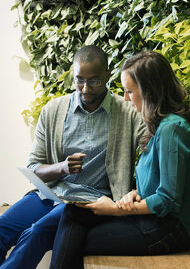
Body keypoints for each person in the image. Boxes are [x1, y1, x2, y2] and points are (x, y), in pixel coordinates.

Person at [49, 51, 190, 269]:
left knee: (75, 240)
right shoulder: (158, 128)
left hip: (171, 228)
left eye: (130, 91)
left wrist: (115, 209)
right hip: (153, 219)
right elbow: (157, 182)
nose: (126, 98)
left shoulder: (172, 129)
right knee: (74, 213)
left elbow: (168, 199)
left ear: (150, 90)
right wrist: (134, 194)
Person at [0, 45, 145, 269]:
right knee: (2, 228)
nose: (85, 88)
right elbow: (34, 166)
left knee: (36, 233)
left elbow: (151, 151)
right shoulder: (53, 110)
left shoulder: (127, 113)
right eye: (79, 80)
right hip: (48, 195)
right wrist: (62, 167)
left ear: (107, 76)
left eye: (94, 80)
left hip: (86, 203)